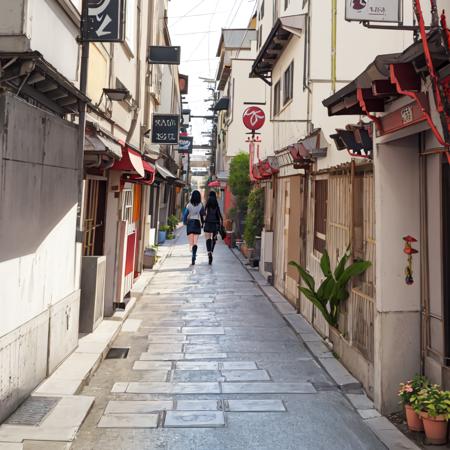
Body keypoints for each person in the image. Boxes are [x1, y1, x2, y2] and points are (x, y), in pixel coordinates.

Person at [184, 190, 205, 265]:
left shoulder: (188, 205)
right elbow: (202, 214)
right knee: (195, 243)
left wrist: (184, 222)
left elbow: (185, 215)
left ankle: (192, 254)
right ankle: (194, 255)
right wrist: (202, 223)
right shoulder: (201, 205)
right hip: (197, 223)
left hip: (190, 223)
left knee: (191, 243)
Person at [203, 191, 223, 265]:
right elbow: (219, 215)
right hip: (215, 223)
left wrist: (203, 222)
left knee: (208, 238)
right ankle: (211, 251)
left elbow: (204, 214)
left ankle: (209, 252)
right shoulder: (216, 205)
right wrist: (220, 222)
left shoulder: (207, 204)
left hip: (208, 222)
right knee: (214, 238)